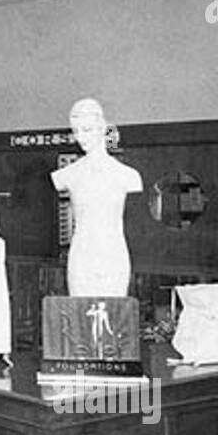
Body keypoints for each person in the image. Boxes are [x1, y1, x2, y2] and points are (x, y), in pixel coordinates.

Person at [50, 98, 143, 297]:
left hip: (113, 253)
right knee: (83, 317)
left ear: (102, 127)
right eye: (76, 131)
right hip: (82, 255)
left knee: (112, 317)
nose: (81, 137)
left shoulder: (127, 176)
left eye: (87, 129)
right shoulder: (68, 175)